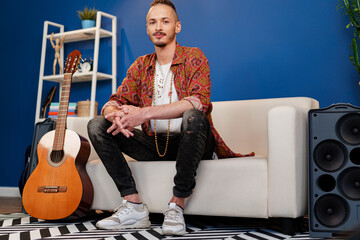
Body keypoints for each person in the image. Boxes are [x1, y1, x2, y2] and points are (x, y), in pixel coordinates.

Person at [87, 0, 254, 236]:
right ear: (147, 28)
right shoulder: (140, 66)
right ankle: (133, 205)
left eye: (165, 21)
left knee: (194, 117)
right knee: (96, 125)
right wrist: (115, 115)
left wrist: (143, 113)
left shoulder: (194, 57)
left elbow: (199, 101)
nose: (158, 27)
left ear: (177, 27)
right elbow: (114, 100)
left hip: (193, 141)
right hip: (154, 143)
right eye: (152, 22)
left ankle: (176, 206)